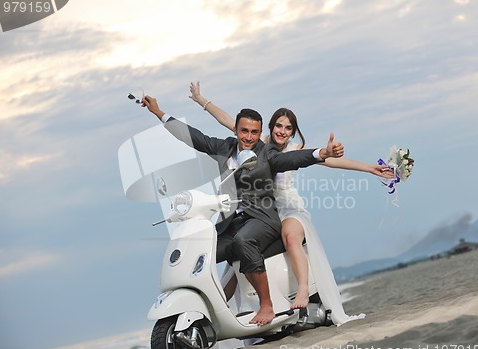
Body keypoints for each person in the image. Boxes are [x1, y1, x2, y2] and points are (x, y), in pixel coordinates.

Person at [188, 81, 394, 324]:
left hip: (290, 210)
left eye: (288, 128)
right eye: (278, 126)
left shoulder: (296, 149)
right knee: (234, 265)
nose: (282, 131)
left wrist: (370, 168)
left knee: (291, 236)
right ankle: (210, 320)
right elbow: (228, 121)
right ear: (271, 127)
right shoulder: (258, 143)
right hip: (261, 214)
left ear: (293, 132)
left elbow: (330, 160)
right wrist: (201, 100)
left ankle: (304, 289)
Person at [141, 93, 345, 325]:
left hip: (263, 219)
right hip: (232, 221)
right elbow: (193, 137)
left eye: (254, 132)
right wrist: (159, 113)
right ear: (236, 130)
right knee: (199, 247)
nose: (249, 137)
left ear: (260, 133)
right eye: (244, 131)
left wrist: (322, 153)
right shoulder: (224, 147)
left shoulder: (267, 153)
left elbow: (293, 160)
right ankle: (205, 313)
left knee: (242, 241)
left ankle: (266, 305)